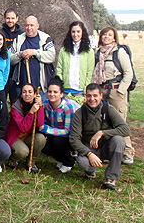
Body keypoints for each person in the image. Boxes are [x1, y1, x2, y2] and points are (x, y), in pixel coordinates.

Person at [69, 83, 130, 190]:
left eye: (95, 95)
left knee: (119, 141)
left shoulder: (108, 109)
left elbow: (125, 130)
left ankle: (111, 178)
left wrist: (102, 133)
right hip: (90, 147)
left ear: (101, 96)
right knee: (83, 162)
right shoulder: (80, 113)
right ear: (85, 96)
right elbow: (74, 139)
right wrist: (88, 153)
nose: (92, 99)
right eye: (89, 96)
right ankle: (90, 171)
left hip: (107, 145)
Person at [92, 26, 135, 165]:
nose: (106, 37)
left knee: (119, 121)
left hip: (116, 91)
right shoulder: (98, 53)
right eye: (104, 35)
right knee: (103, 122)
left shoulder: (119, 52)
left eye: (109, 35)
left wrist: (121, 90)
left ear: (114, 37)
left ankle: (128, 153)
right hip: (101, 91)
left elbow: (128, 73)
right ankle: (107, 151)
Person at [4, 83, 46, 173]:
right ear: (21, 94)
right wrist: (31, 112)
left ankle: (31, 162)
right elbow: (23, 127)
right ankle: (13, 160)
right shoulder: (16, 107)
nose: (27, 94)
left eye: (30, 92)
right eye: (24, 92)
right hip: (16, 137)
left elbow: (40, 124)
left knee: (41, 139)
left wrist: (40, 106)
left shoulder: (36, 105)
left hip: (28, 136)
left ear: (35, 95)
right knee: (23, 151)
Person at [10, 15, 55, 96]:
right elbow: (10, 59)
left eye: (31, 25)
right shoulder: (18, 40)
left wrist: (34, 52)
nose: (29, 28)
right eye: (27, 25)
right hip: (22, 88)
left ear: (37, 26)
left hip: (40, 88)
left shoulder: (45, 39)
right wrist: (20, 54)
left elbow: (51, 56)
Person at [40, 76, 76, 173]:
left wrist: (47, 130)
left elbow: (68, 131)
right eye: (50, 92)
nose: (52, 94)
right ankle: (61, 159)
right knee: (44, 145)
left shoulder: (68, 107)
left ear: (61, 94)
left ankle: (69, 162)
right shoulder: (45, 104)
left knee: (57, 141)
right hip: (53, 134)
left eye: (55, 92)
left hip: (67, 137)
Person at [56, 21, 95, 98]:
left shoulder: (89, 51)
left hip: (80, 92)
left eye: (78, 32)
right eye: (73, 32)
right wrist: (61, 86)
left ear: (82, 33)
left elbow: (89, 73)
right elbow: (59, 70)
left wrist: (85, 90)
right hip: (65, 91)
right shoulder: (63, 50)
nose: (75, 34)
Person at [1, 9, 24, 104]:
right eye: (8, 18)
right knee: (1, 101)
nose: (10, 20)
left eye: (12, 18)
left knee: (16, 102)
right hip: (3, 74)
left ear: (17, 19)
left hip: (17, 74)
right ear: (4, 18)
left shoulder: (22, 35)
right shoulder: (0, 33)